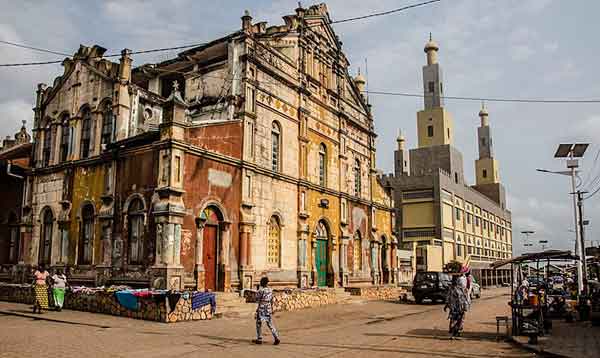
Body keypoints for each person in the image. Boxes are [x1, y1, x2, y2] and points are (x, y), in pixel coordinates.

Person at [252, 277, 280, 345]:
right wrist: (272, 309)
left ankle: (259, 338)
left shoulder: (261, 290)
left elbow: (256, 299)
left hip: (261, 308)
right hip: (268, 308)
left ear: (261, 283)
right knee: (270, 323)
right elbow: (271, 300)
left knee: (259, 323)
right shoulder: (270, 290)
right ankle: (276, 337)